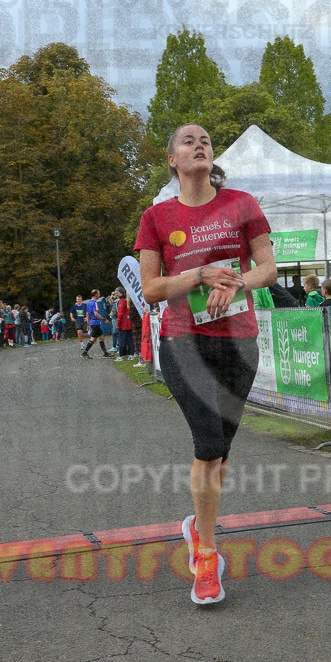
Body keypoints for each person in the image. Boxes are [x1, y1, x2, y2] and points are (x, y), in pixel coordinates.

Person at [136, 122, 276, 604]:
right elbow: (151, 287)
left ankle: (199, 524)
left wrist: (237, 281)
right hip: (183, 342)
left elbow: (268, 267)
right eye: (188, 141)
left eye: (206, 142)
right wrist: (199, 273)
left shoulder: (242, 204)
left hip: (239, 343)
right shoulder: (156, 216)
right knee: (209, 443)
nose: (200, 146)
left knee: (221, 453)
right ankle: (208, 559)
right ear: (172, 158)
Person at [81, 290, 112, 359]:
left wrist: (88, 324)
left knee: (101, 337)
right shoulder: (95, 303)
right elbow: (96, 314)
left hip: (92, 322)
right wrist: (104, 320)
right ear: (95, 294)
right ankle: (84, 352)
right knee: (93, 339)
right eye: (98, 294)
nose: (99, 295)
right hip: (95, 322)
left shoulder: (89, 303)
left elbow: (87, 314)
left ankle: (105, 353)